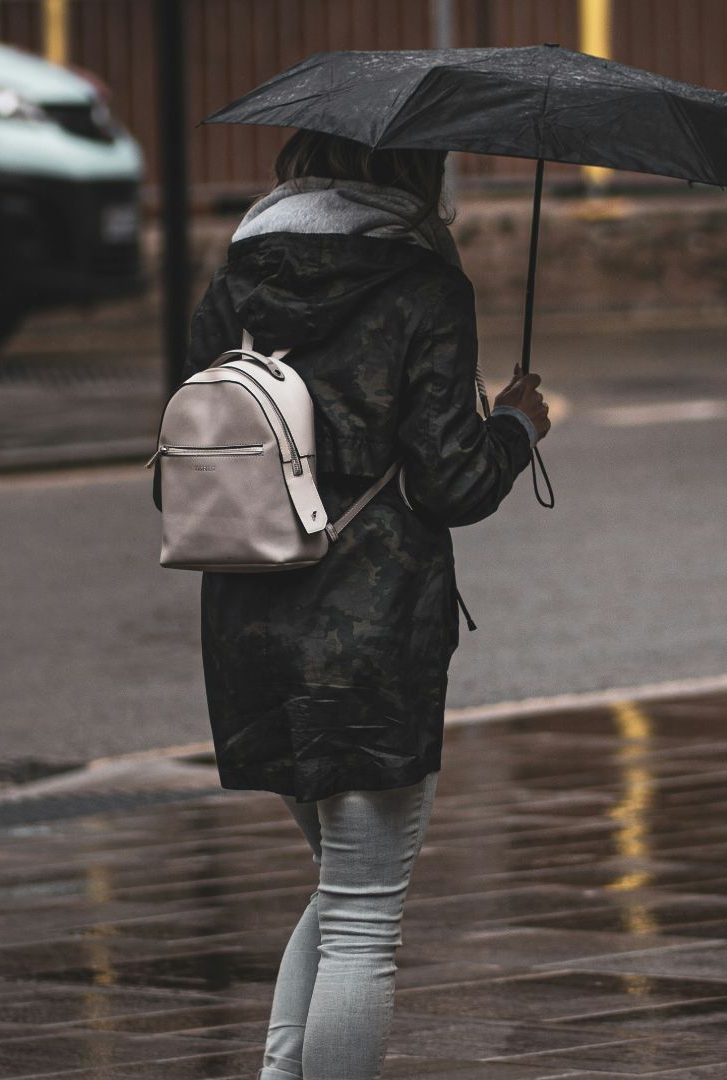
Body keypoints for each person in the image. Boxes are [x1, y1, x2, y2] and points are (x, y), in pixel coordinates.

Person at [176, 130, 551, 1080]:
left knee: (342, 889)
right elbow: (451, 482)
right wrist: (514, 424)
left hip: (247, 613)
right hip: (371, 625)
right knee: (363, 915)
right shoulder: (424, 288)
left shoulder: (234, 283)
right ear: (419, 171)